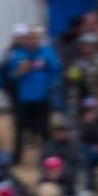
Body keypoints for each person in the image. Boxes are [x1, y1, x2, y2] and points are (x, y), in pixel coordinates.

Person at [9, 26, 60, 165]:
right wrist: (19, 71)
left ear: (38, 39)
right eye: (29, 38)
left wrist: (49, 85)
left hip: (42, 97)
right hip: (24, 98)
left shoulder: (47, 52)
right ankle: (17, 158)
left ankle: (49, 156)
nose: (32, 41)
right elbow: (12, 75)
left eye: (34, 38)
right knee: (20, 128)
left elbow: (56, 70)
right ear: (25, 40)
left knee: (44, 129)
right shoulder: (19, 54)